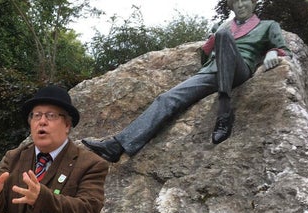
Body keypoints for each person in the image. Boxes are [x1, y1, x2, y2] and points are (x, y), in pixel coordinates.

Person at [82, 0, 291, 163]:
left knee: (224, 37)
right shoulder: (222, 26)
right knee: (167, 98)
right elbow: (205, 57)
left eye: (245, 0)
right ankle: (117, 146)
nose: (241, 5)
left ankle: (224, 111)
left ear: (254, 3)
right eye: (235, 1)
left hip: (239, 69)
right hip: (211, 72)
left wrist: (273, 52)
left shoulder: (268, 26)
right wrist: (212, 41)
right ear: (231, 6)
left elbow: (284, 49)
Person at [0, 85, 109, 213]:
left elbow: (87, 210)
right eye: (36, 115)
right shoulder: (15, 157)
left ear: (67, 124)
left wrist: (42, 197)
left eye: (51, 115)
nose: (42, 121)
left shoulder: (90, 164)